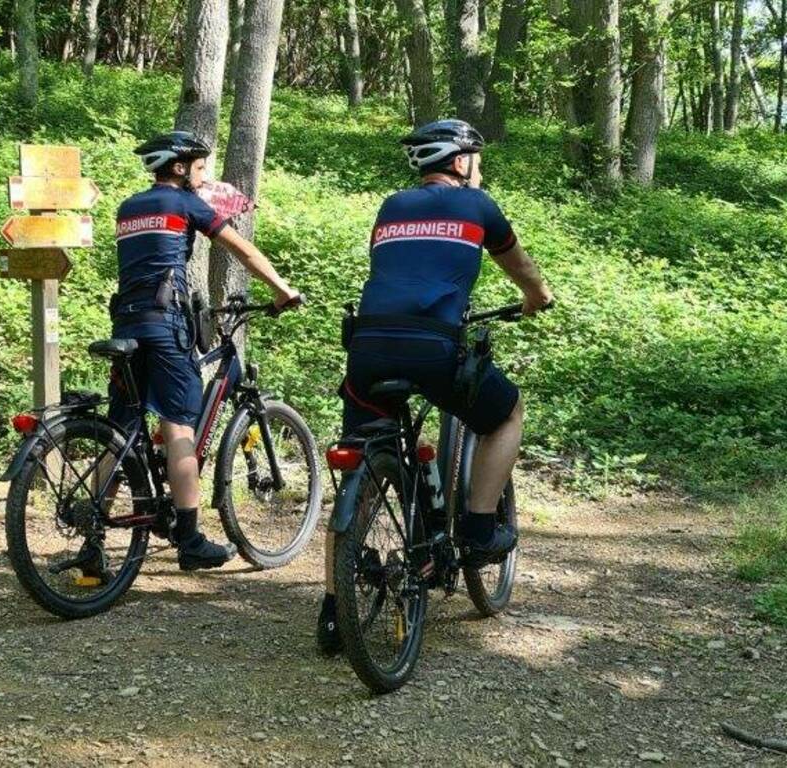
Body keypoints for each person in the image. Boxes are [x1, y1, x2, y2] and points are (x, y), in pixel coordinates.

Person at [317, 119, 553, 653]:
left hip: (368, 349)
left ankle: (334, 612)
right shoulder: (480, 206)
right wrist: (537, 297)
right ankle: (476, 528)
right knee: (506, 413)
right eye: (478, 158)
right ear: (462, 161)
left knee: (362, 456)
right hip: (434, 347)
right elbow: (522, 269)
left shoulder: (392, 206)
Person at [108, 131, 300, 572]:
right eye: (198, 167)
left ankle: (92, 532)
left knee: (120, 431)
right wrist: (282, 289)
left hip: (126, 322)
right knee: (179, 428)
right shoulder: (184, 203)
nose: (203, 175)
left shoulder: (129, 207)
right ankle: (191, 539)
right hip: (165, 323)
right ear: (178, 168)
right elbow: (242, 249)